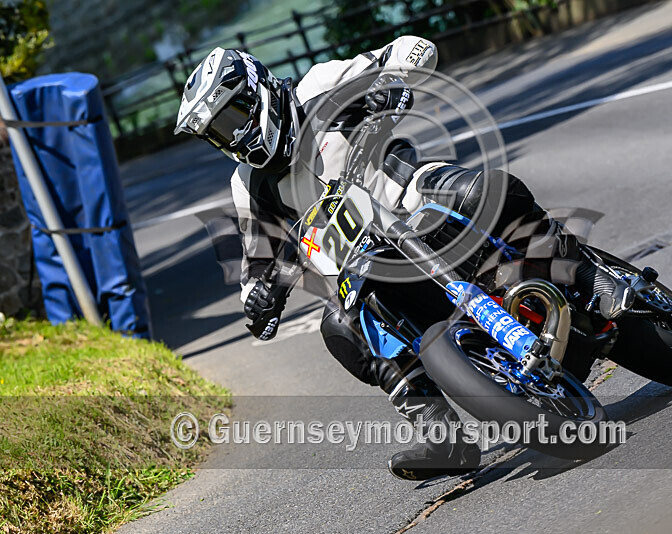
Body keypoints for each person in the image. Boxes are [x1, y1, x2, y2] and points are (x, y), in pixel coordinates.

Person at [174, 37, 631, 480]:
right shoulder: (247, 184)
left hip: (415, 202)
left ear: (257, 90)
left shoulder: (319, 84)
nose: (231, 136)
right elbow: (256, 260)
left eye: (231, 117)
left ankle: (590, 278)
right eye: (217, 133)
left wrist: (390, 85)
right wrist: (259, 299)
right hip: (367, 267)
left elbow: (415, 48)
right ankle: (441, 434)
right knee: (339, 328)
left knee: (482, 191)